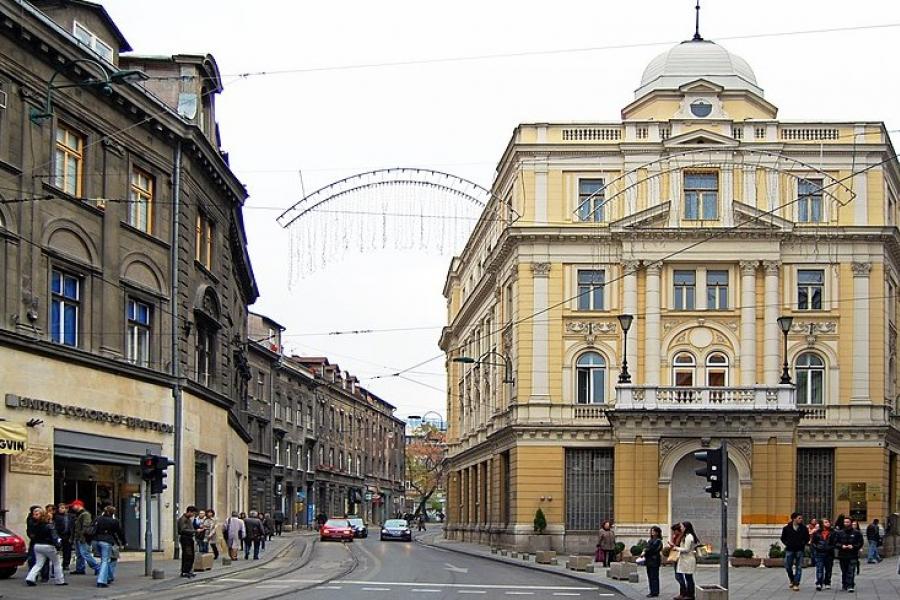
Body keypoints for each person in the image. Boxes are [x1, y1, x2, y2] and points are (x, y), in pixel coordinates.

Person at [24, 506, 66, 586]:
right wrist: (58, 545)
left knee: (38, 563)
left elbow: (32, 534)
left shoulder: (34, 525)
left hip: (37, 545)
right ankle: (60, 580)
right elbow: (55, 537)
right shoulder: (50, 526)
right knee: (56, 563)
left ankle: (30, 578)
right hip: (48, 546)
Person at [93, 505, 126, 588]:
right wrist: (124, 542)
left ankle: (109, 576)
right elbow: (119, 532)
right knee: (105, 561)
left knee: (104, 560)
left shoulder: (98, 519)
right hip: (106, 541)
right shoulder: (114, 521)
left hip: (96, 541)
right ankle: (101, 581)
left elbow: (93, 529)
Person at [780, 512, 809, 591]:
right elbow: (783, 538)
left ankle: (796, 583)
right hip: (790, 549)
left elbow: (807, 538)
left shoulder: (803, 528)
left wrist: (803, 544)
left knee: (799, 567)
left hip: (799, 550)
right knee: (788, 566)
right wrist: (787, 544)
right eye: (799, 518)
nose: (801, 519)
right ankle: (792, 579)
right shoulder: (787, 528)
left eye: (801, 518)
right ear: (794, 519)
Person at [70, 499, 100, 576]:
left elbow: (86, 526)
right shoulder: (79, 514)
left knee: (85, 553)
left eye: (73, 505)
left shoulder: (85, 514)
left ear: (78, 505)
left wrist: (83, 536)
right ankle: (80, 568)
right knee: (79, 554)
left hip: (83, 538)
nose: (72, 507)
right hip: (78, 537)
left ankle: (97, 567)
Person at [834, 516, 863, 592]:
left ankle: (850, 585)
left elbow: (860, 543)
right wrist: (841, 546)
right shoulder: (840, 532)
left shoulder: (856, 533)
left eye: (847, 522)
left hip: (852, 554)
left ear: (851, 523)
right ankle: (844, 585)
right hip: (842, 555)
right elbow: (836, 542)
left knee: (851, 570)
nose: (846, 523)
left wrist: (853, 546)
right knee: (844, 571)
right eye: (845, 522)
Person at [673, 521, 699, 600]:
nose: (681, 528)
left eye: (682, 526)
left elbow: (687, 549)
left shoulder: (689, 537)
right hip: (685, 559)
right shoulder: (687, 536)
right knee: (688, 577)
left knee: (689, 578)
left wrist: (676, 548)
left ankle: (690, 595)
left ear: (686, 527)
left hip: (688, 560)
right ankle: (687, 594)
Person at [811, 518, 835, 591]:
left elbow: (835, 542)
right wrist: (817, 547)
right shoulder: (817, 533)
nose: (828, 523)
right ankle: (819, 583)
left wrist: (829, 547)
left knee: (828, 569)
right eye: (826, 522)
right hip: (819, 553)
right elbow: (813, 542)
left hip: (829, 553)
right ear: (822, 524)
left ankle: (827, 582)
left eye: (828, 522)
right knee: (819, 568)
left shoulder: (833, 532)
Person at [639, 525, 663, 598]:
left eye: (654, 531)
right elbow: (647, 547)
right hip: (649, 560)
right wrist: (644, 550)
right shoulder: (650, 540)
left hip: (654, 560)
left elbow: (652, 549)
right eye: (652, 531)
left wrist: (645, 551)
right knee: (650, 576)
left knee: (654, 576)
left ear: (657, 532)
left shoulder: (658, 541)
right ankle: (652, 591)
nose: (652, 532)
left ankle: (654, 592)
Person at [177, 506, 198, 578]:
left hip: (189, 538)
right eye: (193, 514)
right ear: (189, 512)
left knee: (191, 555)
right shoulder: (183, 519)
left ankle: (188, 571)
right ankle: (185, 571)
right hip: (185, 539)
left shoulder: (188, 519)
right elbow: (183, 530)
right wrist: (195, 531)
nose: (193, 516)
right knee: (187, 555)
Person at [54, 503, 74, 573]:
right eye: (60, 508)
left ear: (66, 509)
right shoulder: (56, 516)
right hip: (59, 534)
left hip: (68, 535)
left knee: (67, 550)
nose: (61, 509)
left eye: (63, 508)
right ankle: (56, 564)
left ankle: (66, 564)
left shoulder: (70, 516)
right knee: (56, 550)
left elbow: (72, 526)